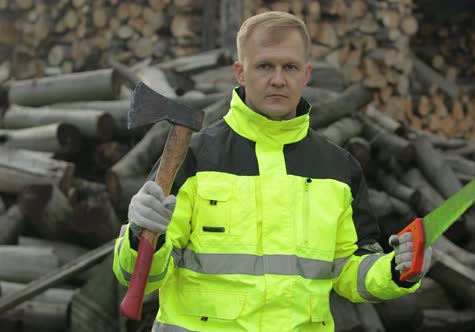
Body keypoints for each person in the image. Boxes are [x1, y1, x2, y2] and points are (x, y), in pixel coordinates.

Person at [113, 11, 432, 332]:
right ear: (240, 72)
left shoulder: (339, 168)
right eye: (265, 66)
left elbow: (350, 271)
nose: (278, 79)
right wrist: (140, 235)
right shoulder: (194, 159)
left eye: (290, 67)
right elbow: (144, 276)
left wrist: (397, 269)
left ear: (306, 74)